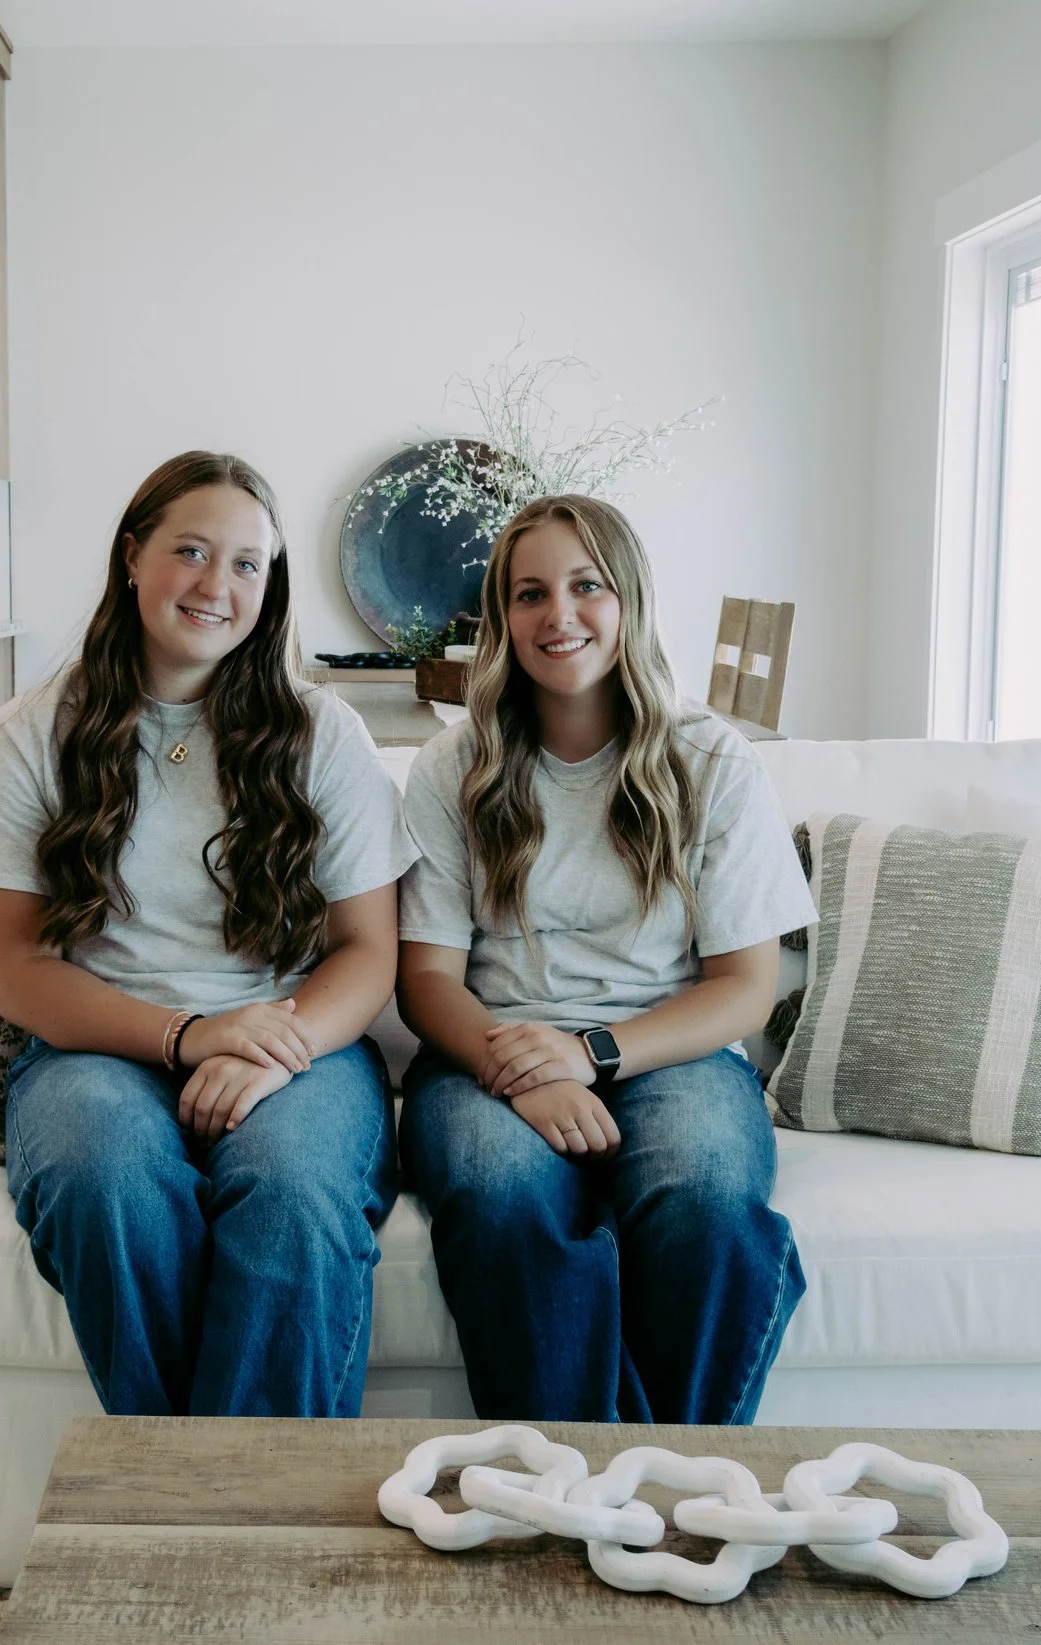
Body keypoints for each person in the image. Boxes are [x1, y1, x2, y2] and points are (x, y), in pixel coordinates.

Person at [0, 451, 414, 1417]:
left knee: (293, 1191)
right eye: (191, 551)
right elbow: (20, 970)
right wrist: (189, 1035)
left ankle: (234, 1499)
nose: (216, 585)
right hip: (96, 1051)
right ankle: (192, 1486)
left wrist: (275, 1048)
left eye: (247, 564)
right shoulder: (30, 735)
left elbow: (368, 949)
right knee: (102, 1175)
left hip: (298, 1046)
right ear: (133, 557)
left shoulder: (324, 734)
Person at [395, 493, 813, 1424]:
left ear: (630, 598)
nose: (560, 614)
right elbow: (424, 981)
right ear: (503, 617)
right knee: (502, 1195)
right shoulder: (453, 765)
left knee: (707, 1201)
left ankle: (674, 1472)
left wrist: (590, 1054)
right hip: (490, 1053)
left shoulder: (713, 761)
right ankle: (561, 1474)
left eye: (587, 586)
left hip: (671, 1053)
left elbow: (745, 989)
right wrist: (520, 1068)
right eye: (530, 593)